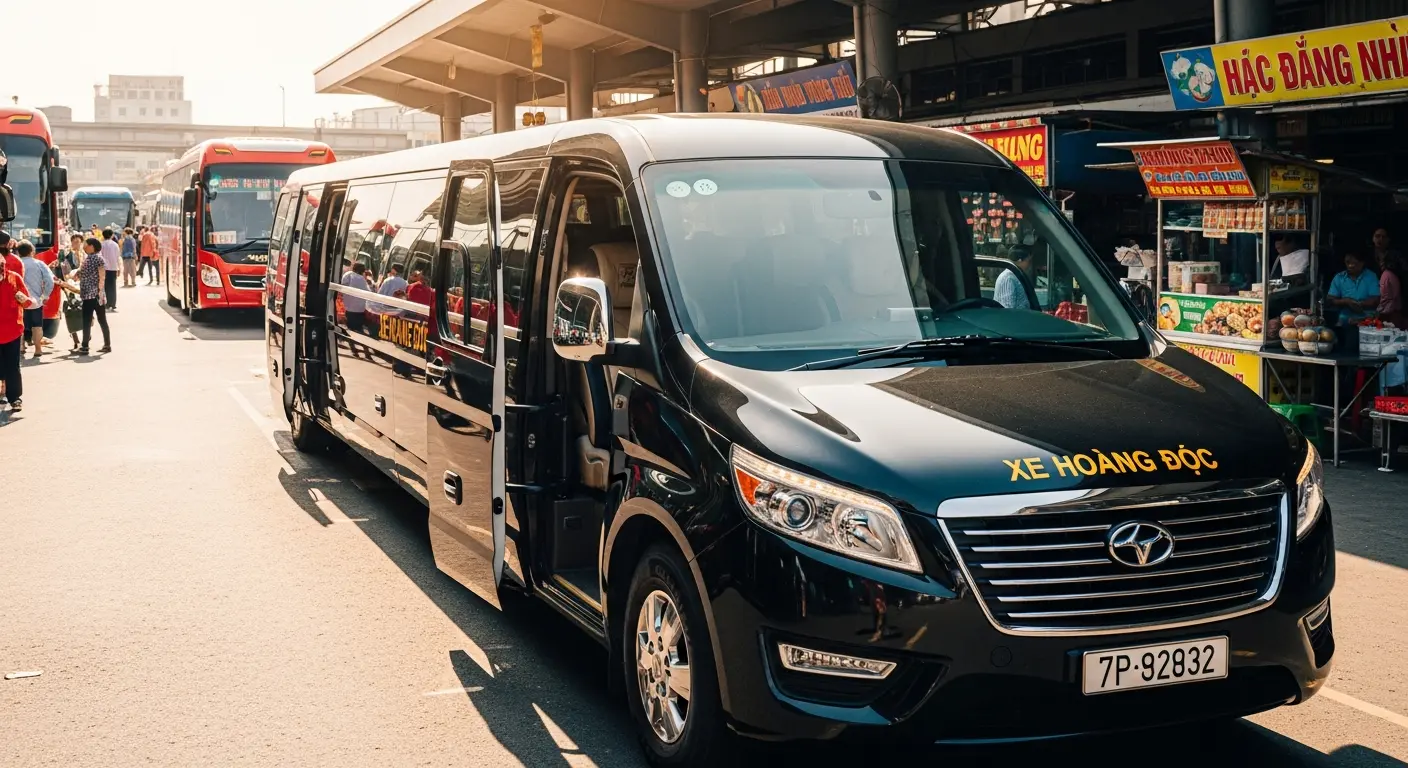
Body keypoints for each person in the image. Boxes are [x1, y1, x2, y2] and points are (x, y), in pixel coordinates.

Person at [0, 232, 34, 410]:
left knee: (13, 365)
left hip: (12, 327)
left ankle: (14, 397)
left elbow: (26, 299)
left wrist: (22, 300)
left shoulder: (14, 277)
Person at [17, 241, 54, 359]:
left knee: (20, 324)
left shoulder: (16, 263)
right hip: (35, 301)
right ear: (32, 251)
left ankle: (21, 347)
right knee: (37, 325)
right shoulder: (39, 264)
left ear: (18, 252)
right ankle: (38, 349)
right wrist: (45, 296)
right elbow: (50, 281)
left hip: (19, 300)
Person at [77, 236, 112, 355]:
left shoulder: (96, 259)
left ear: (92, 246)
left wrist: (99, 290)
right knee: (102, 320)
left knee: (87, 320)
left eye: (85, 244)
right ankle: (107, 345)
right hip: (96, 294)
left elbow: (102, 276)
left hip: (91, 295)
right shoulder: (94, 258)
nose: (84, 247)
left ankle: (85, 346)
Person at [1327, 251, 1381, 326]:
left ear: (1362, 263)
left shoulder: (1371, 276)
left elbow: (1376, 300)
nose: (1350, 266)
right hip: (1345, 317)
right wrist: (1346, 301)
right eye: (1348, 262)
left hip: (1367, 316)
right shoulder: (1339, 277)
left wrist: (1359, 304)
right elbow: (1330, 300)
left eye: (1354, 263)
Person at [340, 262, 370, 334]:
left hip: (348, 309)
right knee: (357, 330)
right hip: (360, 310)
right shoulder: (363, 280)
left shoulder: (348, 275)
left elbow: (342, 287)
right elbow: (368, 292)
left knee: (349, 330)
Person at [1380, 250, 1406, 327]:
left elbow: (1386, 296)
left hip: (1389, 312)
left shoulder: (1386, 275)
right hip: (1397, 309)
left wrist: (1380, 310)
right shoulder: (1396, 275)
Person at [99, 228, 121, 310]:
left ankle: (106, 303)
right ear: (112, 235)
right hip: (113, 268)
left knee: (104, 286)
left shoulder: (101, 244)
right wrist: (119, 268)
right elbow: (118, 257)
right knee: (112, 286)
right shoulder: (115, 245)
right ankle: (113, 303)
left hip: (104, 268)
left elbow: (99, 257)